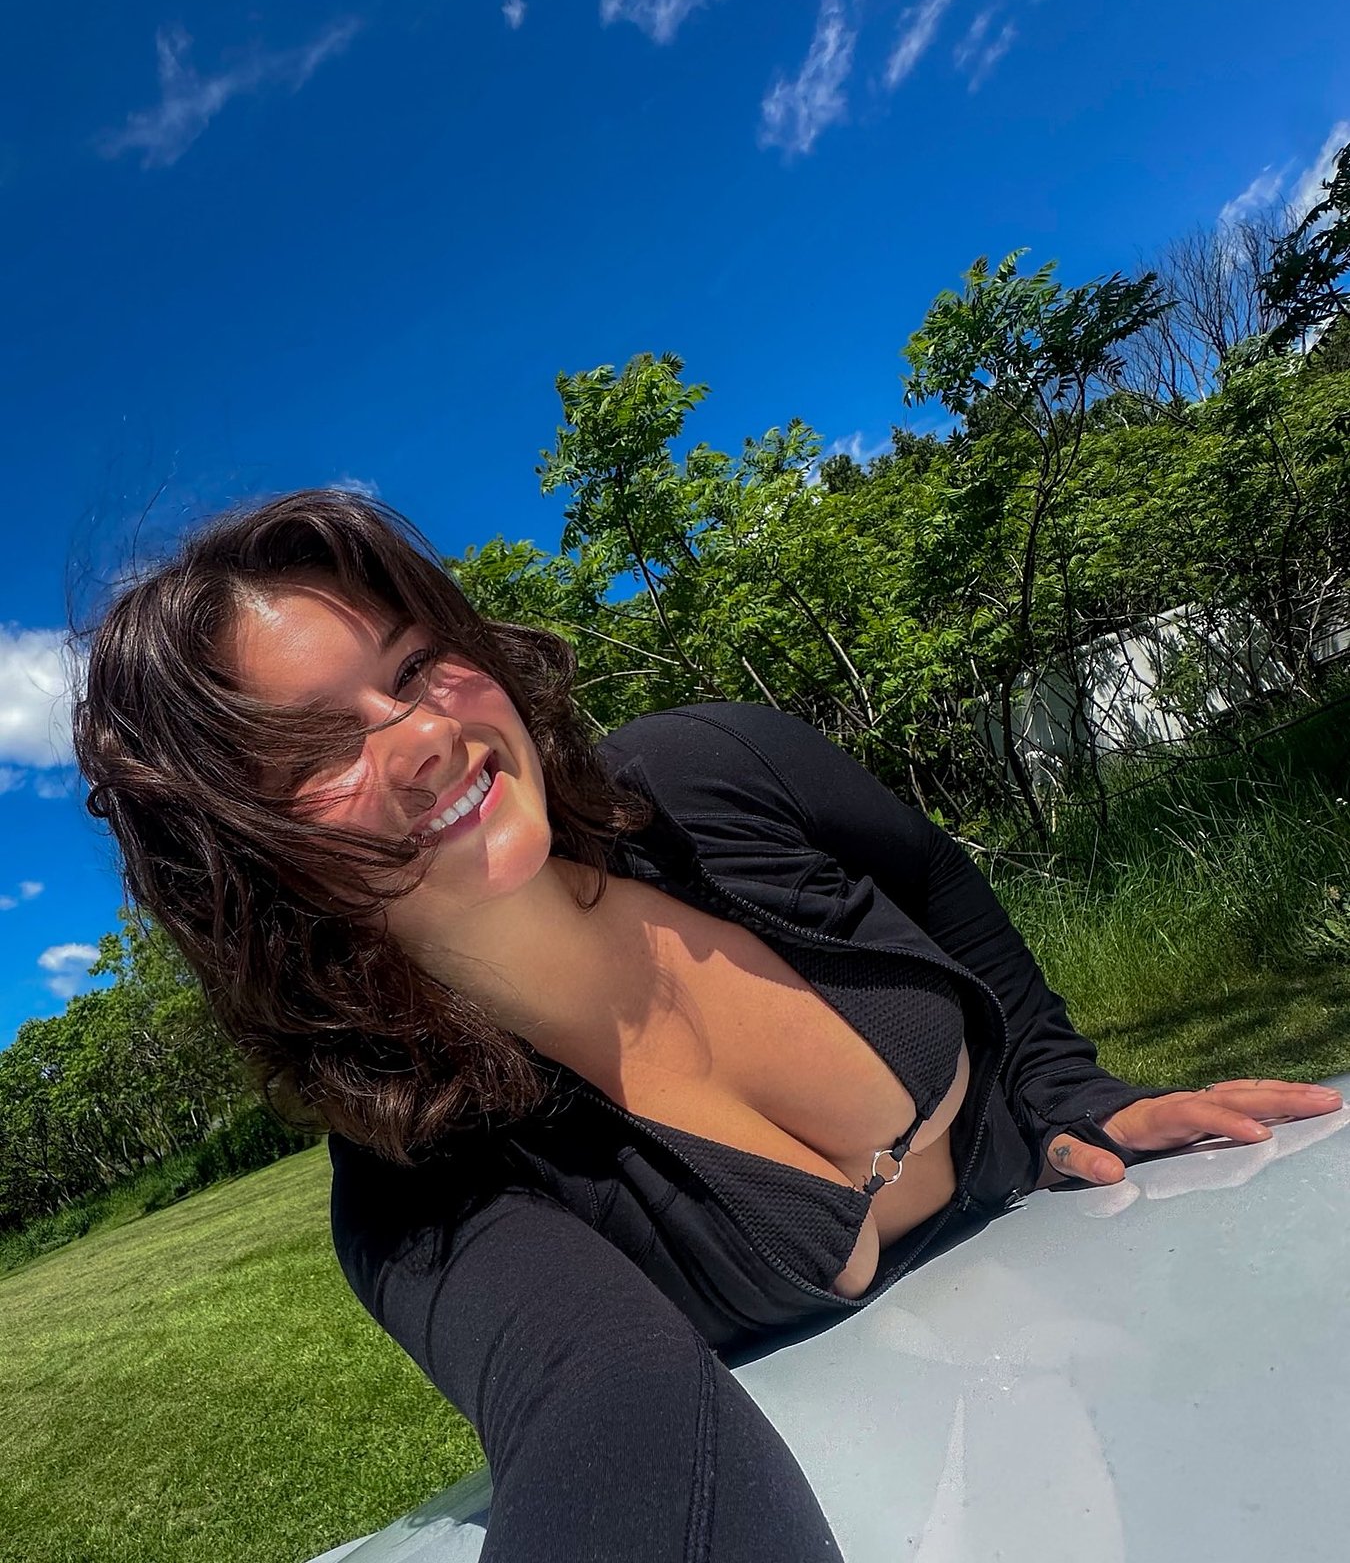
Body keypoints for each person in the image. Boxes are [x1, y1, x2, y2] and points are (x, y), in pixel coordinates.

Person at [72, 488, 1342, 1563]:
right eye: (315, 749)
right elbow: (605, 1413)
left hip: (1170, 1383)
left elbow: (932, 877)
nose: (423, 739)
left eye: (414, 667)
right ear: (243, 858)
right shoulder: (418, 1186)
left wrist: (1067, 1088)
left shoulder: (713, 776)